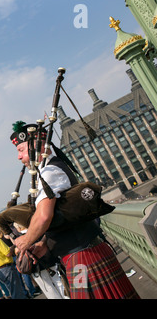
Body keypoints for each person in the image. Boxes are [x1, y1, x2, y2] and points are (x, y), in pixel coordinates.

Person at [10, 120, 140, 299]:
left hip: (82, 260)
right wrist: (44, 243)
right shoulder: (51, 168)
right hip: (83, 255)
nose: (18, 157)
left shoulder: (49, 172)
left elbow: (43, 216)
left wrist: (26, 240)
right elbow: (65, 216)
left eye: (21, 150)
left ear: (36, 146)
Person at [0, 224, 27, 299]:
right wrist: (14, 246)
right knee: (17, 292)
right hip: (6, 269)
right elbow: (8, 253)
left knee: (12, 291)